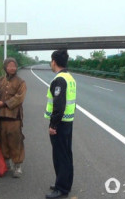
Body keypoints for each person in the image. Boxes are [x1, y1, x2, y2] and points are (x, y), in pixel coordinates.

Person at [44, 50, 76, 199]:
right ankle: (65, 183)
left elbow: (59, 105)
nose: (51, 64)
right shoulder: (70, 78)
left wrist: (53, 126)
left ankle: (61, 188)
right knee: (66, 154)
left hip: (60, 124)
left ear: (54, 62)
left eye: (51, 61)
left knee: (60, 156)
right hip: (68, 122)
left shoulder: (59, 80)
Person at [0, 57, 27, 178]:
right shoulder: (0, 80)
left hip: (14, 118)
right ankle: (5, 163)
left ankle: (17, 165)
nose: (12, 68)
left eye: (14, 66)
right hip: (2, 117)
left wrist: (4, 103)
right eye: (10, 66)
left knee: (16, 141)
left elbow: (20, 98)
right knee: (3, 140)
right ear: (5, 67)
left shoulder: (21, 82)